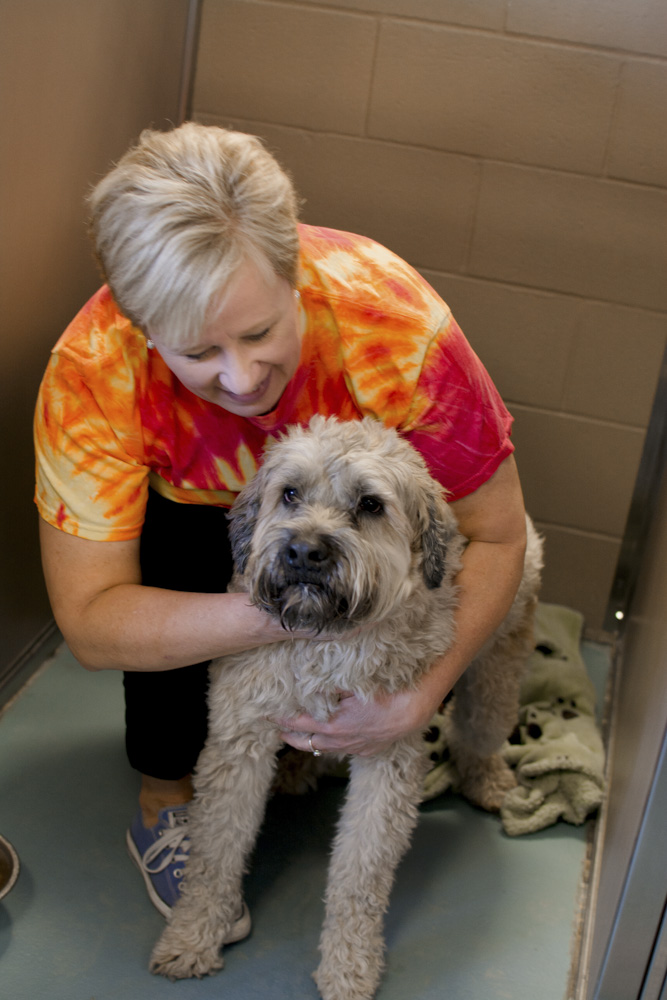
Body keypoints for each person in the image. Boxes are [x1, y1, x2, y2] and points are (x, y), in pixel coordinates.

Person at [34, 123, 528, 927]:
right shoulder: (93, 373)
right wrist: (284, 610)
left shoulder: (400, 332)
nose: (241, 377)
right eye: (198, 352)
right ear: (143, 329)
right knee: (179, 557)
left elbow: (500, 536)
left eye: (261, 332)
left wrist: (420, 697)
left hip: (364, 527)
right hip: (204, 520)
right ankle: (167, 798)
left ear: (295, 276)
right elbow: (91, 621)